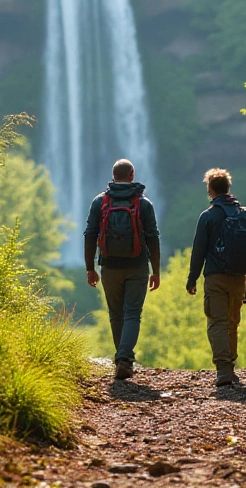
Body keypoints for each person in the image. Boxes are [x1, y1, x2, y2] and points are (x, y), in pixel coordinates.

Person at [85, 158, 161, 381]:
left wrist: (90, 267)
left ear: (113, 175)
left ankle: (121, 359)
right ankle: (124, 359)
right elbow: (153, 238)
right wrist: (156, 270)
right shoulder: (144, 203)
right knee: (132, 313)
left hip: (108, 266)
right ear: (132, 175)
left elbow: (90, 235)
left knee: (115, 314)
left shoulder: (100, 202)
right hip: (137, 266)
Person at [186, 168, 246, 387]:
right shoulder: (243, 214)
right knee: (232, 321)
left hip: (215, 276)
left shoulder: (208, 216)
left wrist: (192, 278)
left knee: (217, 321)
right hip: (239, 276)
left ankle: (224, 370)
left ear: (210, 190)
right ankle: (231, 365)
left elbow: (198, 250)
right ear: (228, 188)